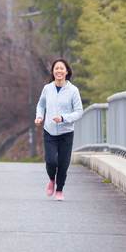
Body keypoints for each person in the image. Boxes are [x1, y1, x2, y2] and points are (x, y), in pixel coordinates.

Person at [34, 59, 84, 201]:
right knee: (51, 161)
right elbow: (41, 105)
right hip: (49, 131)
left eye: (62, 68)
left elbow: (79, 112)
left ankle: (60, 190)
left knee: (63, 163)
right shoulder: (47, 88)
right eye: (56, 68)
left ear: (66, 71)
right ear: (53, 72)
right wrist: (39, 116)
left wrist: (63, 118)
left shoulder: (73, 90)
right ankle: (52, 179)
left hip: (66, 132)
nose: (59, 71)